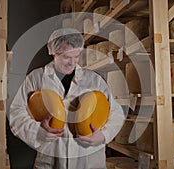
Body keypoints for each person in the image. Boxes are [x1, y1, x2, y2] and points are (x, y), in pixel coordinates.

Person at [9, 28, 125, 169]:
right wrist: (37, 131)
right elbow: (16, 114)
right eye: (66, 57)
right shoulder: (36, 78)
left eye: (76, 56)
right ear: (54, 53)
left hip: (88, 159)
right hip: (51, 159)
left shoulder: (94, 80)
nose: (72, 62)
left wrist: (103, 136)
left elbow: (116, 113)